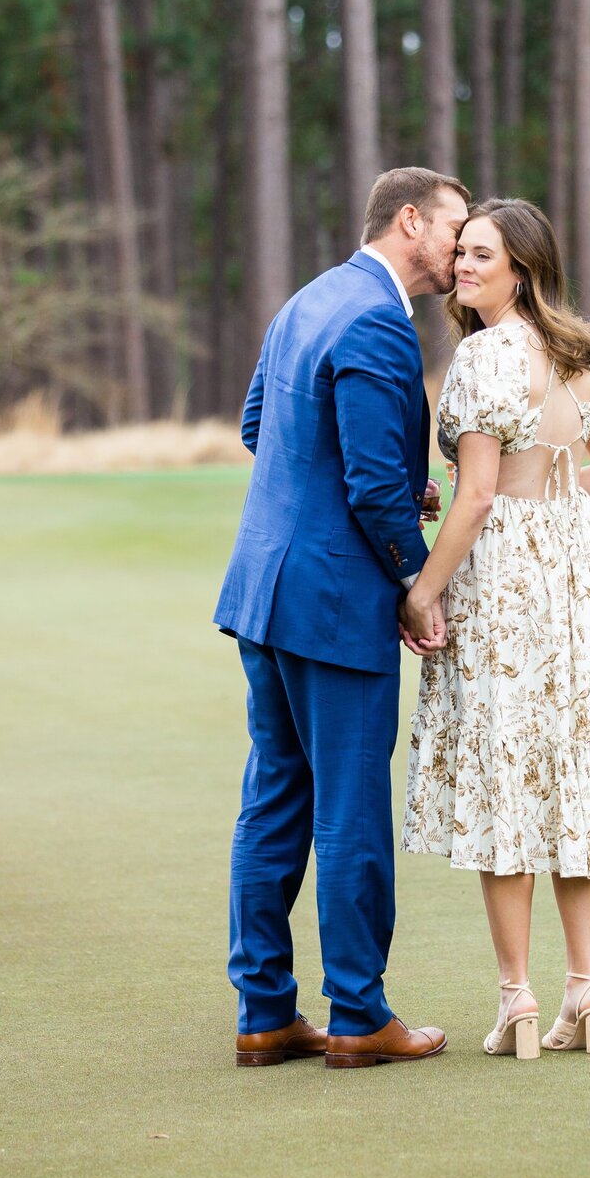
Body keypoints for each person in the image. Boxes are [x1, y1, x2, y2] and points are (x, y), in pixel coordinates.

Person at [214, 166, 470, 1069]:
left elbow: (261, 429)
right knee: (350, 807)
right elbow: (367, 487)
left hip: (262, 594)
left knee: (275, 797)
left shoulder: (309, 301)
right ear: (410, 221)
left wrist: (403, 486)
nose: (459, 251)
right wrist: (418, 581)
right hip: (329, 605)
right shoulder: (376, 321)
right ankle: (359, 1016)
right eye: (453, 230)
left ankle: (264, 1014)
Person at [401, 197, 590, 1058]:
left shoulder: (480, 357)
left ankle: (520, 1000)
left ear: (523, 269)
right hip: (574, 572)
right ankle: (588, 986)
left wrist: (424, 590)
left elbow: (471, 499)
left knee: (509, 774)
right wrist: (550, 496)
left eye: (483, 256)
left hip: (501, 579)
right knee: (571, 764)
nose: (464, 267)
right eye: (460, 252)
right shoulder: (582, 353)